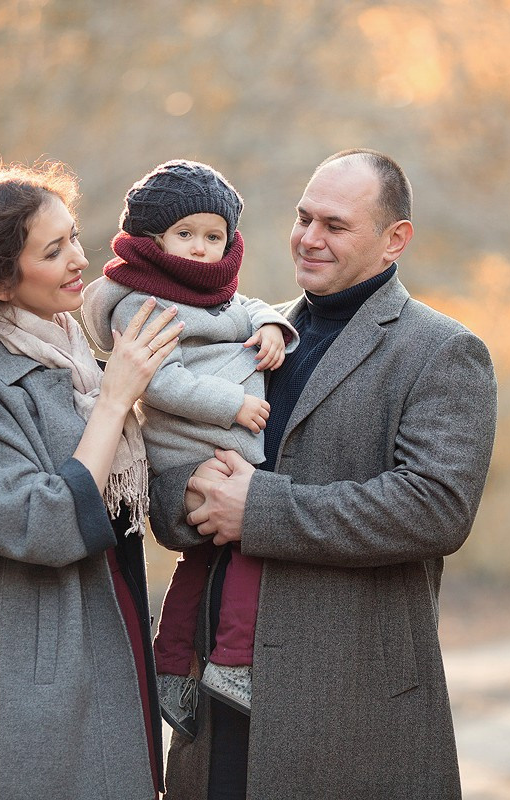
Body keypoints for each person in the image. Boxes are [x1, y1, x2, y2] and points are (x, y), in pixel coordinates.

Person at [148, 149, 498, 799]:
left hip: (351, 703)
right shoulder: (248, 331)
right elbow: (172, 460)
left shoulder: (443, 350)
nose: (309, 238)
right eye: (304, 217)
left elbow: (437, 507)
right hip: (215, 689)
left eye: (335, 225)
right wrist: (188, 492)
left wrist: (258, 510)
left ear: (395, 239)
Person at [0, 161, 184, 800]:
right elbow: (43, 524)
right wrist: (115, 401)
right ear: (1, 281)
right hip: (31, 690)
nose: (80, 260)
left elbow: (133, 500)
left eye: (74, 238)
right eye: (53, 251)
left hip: (114, 646)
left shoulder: (79, 364)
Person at [80, 160, 298, 737]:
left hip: (220, 443)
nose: (201, 249)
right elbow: (160, 381)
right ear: (154, 239)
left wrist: (272, 327)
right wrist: (234, 405)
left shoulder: (211, 293)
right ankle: (233, 662)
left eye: (213, 236)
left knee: (200, 563)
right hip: (193, 445)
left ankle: (172, 664)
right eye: (185, 234)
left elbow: (247, 306)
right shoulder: (143, 302)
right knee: (252, 545)